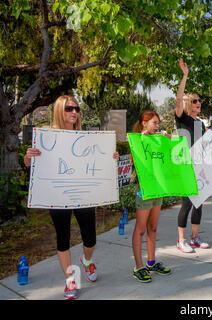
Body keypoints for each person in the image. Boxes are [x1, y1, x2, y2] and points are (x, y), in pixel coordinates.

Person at [24, 95, 119, 300]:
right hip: (58, 196)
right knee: (63, 238)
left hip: (84, 195)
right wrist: (28, 157)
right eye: (69, 108)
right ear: (60, 110)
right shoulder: (46, 136)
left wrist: (110, 157)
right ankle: (70, 279)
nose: (74, 112)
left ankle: (86, 261)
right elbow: (32, 166)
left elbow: (100, 160)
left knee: (91, 239)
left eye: (76, 108)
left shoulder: (86, 138)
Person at [174, 58, 210, 253]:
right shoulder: (182, 118)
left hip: (200, 166)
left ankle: (195, 238)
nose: (199, 103)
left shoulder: (201, 124)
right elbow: (178, 100)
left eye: (199, 101)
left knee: (199, 203)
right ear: (189, 104)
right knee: (187, 203)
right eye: (195, 101)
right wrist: (185, 76)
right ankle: (181, 241)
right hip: (186, 165)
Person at [130, 111, 171, 283]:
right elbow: (135, 162)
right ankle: (138, 267)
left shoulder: (158, 140)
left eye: (158, 123)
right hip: (144, 189)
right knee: (140, 228)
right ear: (144, 123)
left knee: (152, 228)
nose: (157, 126)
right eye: (154, 123)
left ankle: (151, 262)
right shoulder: (137, 140)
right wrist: (143, 140)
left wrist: (169, 143)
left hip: (157, 188)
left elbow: (167, 161)